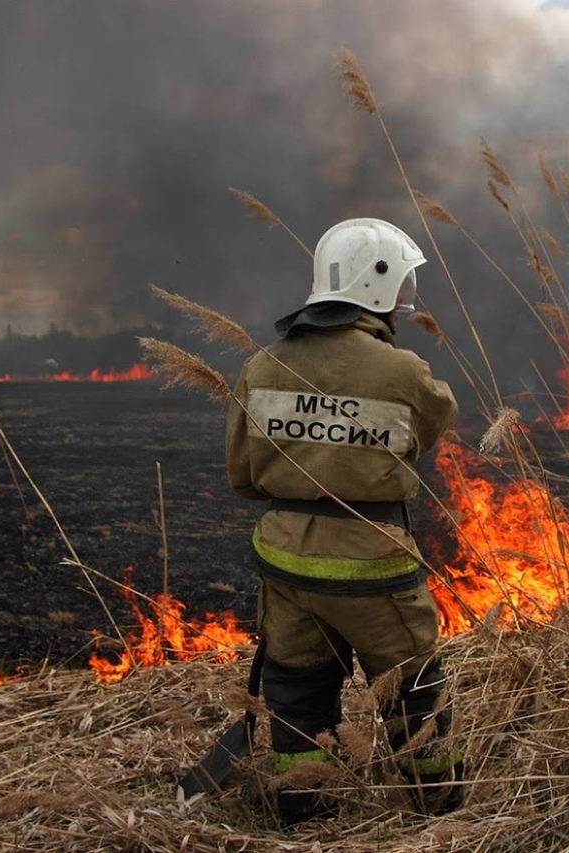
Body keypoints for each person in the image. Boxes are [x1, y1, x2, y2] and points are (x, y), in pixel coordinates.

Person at [224, 217, 462, 825]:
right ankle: (434, 806)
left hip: (283, 560)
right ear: (379, 284)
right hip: (371, 563)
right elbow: (429, 428)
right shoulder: (402, 370)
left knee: (296, 692)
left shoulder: (262, 366)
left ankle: (305, 806)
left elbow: (243, 477)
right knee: (415, 693)